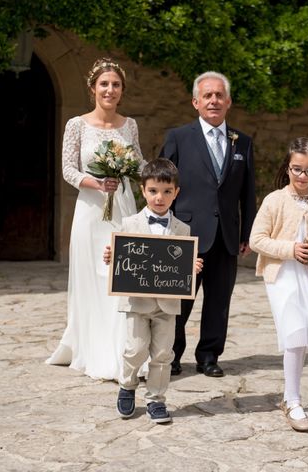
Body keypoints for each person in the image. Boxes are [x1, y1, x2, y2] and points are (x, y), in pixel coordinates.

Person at [46, 58, 144, 381]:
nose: (110, 90)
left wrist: (153, 179)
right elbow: (68, 169)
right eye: (104, 84)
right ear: (93, 89)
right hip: (91, 210)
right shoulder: (76, 125)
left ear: (122, 91)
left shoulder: (130, 126)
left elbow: (139, 164)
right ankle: (95, 349)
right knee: (93, 278)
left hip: (123, 207)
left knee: (122, 275)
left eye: (116, 85)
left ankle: (123, 349)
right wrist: (98, 183)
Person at [160, 71, 256, 378]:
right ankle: (171, 355)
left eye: (219, 96)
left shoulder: (243, 142)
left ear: (228, 102)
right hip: (186, 234)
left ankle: (209, 356)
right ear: (195, 102)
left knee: (219, 300)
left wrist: (247, 233)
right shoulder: (178, 137)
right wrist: (163, 229)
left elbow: (248, 192)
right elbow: (163, 184)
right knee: (179, 301)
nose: (213, 101)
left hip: (227, 234)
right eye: (207, 96)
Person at [103, 158, 203, 423]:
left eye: (167, 191)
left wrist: (191, 265)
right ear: (143, 190)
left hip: (168, 304)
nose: (160, 197)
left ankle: (156, 400)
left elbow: (183, 264)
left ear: (176, 193)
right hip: (137, 302)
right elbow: (119, 257)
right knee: (135, 349)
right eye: (154, 191)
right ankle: (127, 385)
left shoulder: (183, 229)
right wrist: (112, 256)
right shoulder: (129, 224)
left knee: (162, 354)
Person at [249, 137, 308, 432]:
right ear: (287, 168)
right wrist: (291, 249)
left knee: (303, 338)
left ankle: (290, 397)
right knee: (294, 332)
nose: (303, 176)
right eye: (297, 169)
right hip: (281, 275)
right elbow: (257, 240)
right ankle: (293, 399)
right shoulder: (274, 200)